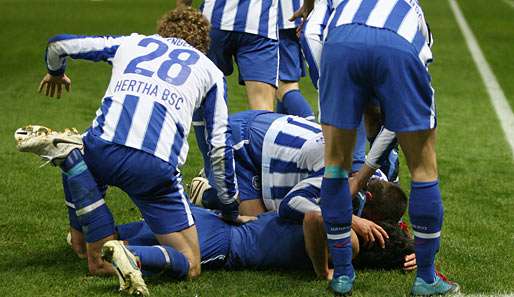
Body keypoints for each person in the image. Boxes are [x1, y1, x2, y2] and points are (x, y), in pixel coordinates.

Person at [19, 7, 250, 295]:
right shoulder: (211, 72)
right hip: (153, 168)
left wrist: (56, 72)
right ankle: (131, 256)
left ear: (162, 31)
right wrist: (229, 206)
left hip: (99, 150)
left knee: (82, 245)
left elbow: (59, 44)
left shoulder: (134, 42)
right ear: (204, 44)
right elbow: (218, 146)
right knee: (191, 263)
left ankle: (73, 162)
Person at [293, 0, 460, 295]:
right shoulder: (413, 9)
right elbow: (401, 114)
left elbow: (309, 34)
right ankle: (426, 277)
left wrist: (331, 91)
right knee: (423, 167)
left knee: (335, 165)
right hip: (397, 47)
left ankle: (343, 274)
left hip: (339, 47)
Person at [99, 205, 416, 294]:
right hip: (224, 243)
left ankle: (77, 168)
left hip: (211, 216)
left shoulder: (338, 209)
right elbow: (314, 218)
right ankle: (135, 258)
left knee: (93, 248)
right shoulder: (349, 246)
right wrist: (325, 271)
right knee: (187, 263)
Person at [177, 0, 279, 112]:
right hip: (259, 25)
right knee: (262, 105)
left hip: (213, 20)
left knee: (204, 92)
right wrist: (302, 8)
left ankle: (206, 129)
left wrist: (183, 11)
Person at [275, 0, 315, 120]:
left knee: (285, 86)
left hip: (278, 18)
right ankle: (282, 135)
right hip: (302, 12)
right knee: (283, 85)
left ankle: (315, 133)